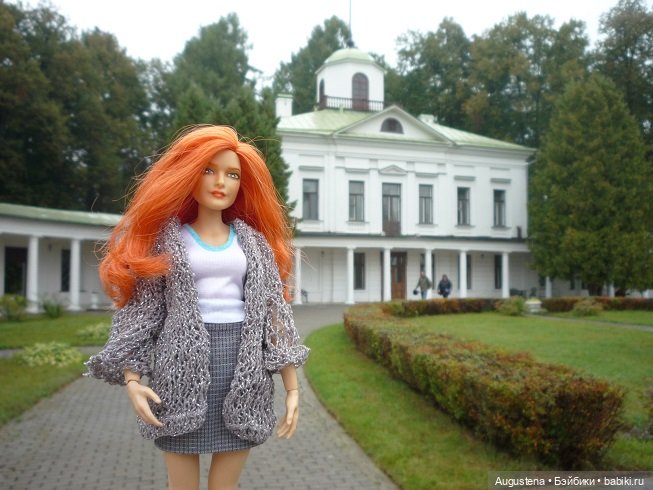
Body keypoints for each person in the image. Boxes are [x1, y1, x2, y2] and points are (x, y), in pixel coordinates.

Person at [86, 125, 309, 490]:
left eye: (232, 174)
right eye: (209, 170)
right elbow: (143, 316)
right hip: (178, 375)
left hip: (243, 372)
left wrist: (293, 388)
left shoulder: (254, 244)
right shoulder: (167, 242)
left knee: (224, 486)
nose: (221, 182)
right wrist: (132, 379)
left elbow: (274, 317)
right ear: (188, 175)